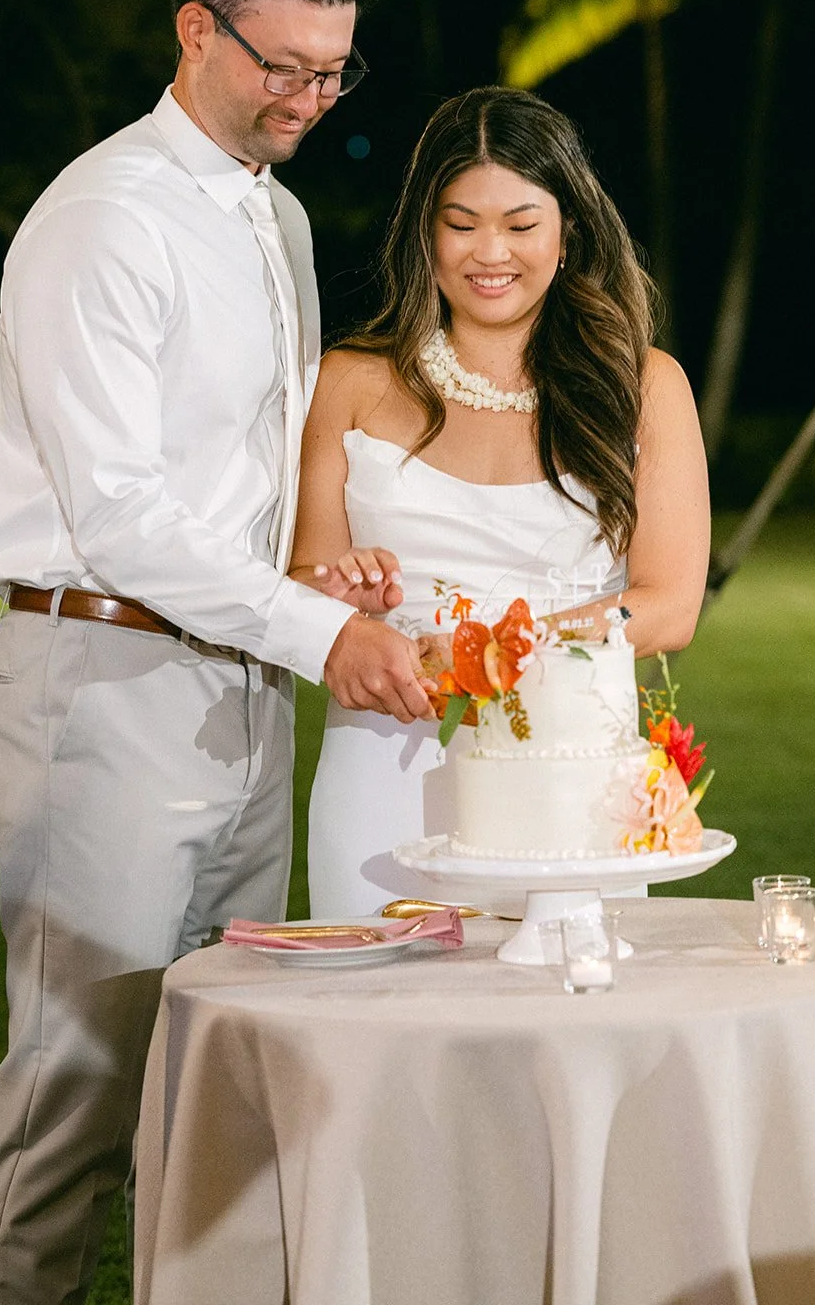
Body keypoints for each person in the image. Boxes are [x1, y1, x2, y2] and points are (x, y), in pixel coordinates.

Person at [0, 0, 435, 1305]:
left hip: (238, 694)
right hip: (102, 691)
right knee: (72, 1102)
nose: (309, 95)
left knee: (215, 1085)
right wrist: (322, 629)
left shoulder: (276, 223)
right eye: (283, 65)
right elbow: (117, 515)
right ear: (195, 28)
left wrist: (313, 570)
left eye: (332, 69)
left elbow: (230, 489)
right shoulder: (105, 216)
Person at [291, 86, 711, 916]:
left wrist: (485, 654)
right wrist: (345, 603)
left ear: (566, 234)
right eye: (461, 222)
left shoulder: (643, 386)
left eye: (521, 225)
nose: (491, 252)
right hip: (384, 761)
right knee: (383, 1024)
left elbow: (668, 606)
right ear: (425, 231)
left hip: (569, 779)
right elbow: (302, 582)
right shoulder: (349, 381)